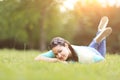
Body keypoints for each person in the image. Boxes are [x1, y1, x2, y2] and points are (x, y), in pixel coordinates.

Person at [34, 16, 112, 63]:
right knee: (92, 46)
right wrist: (56, 60)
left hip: (92, 53)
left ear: (66, 45)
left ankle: (101, 35)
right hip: (88, 49)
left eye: (60, 51)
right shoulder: (56, 50)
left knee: (102, 56)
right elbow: (37, 58)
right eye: (56, 54)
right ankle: (99, 34)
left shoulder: (82, 56)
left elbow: (102, 60)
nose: (59, 55)